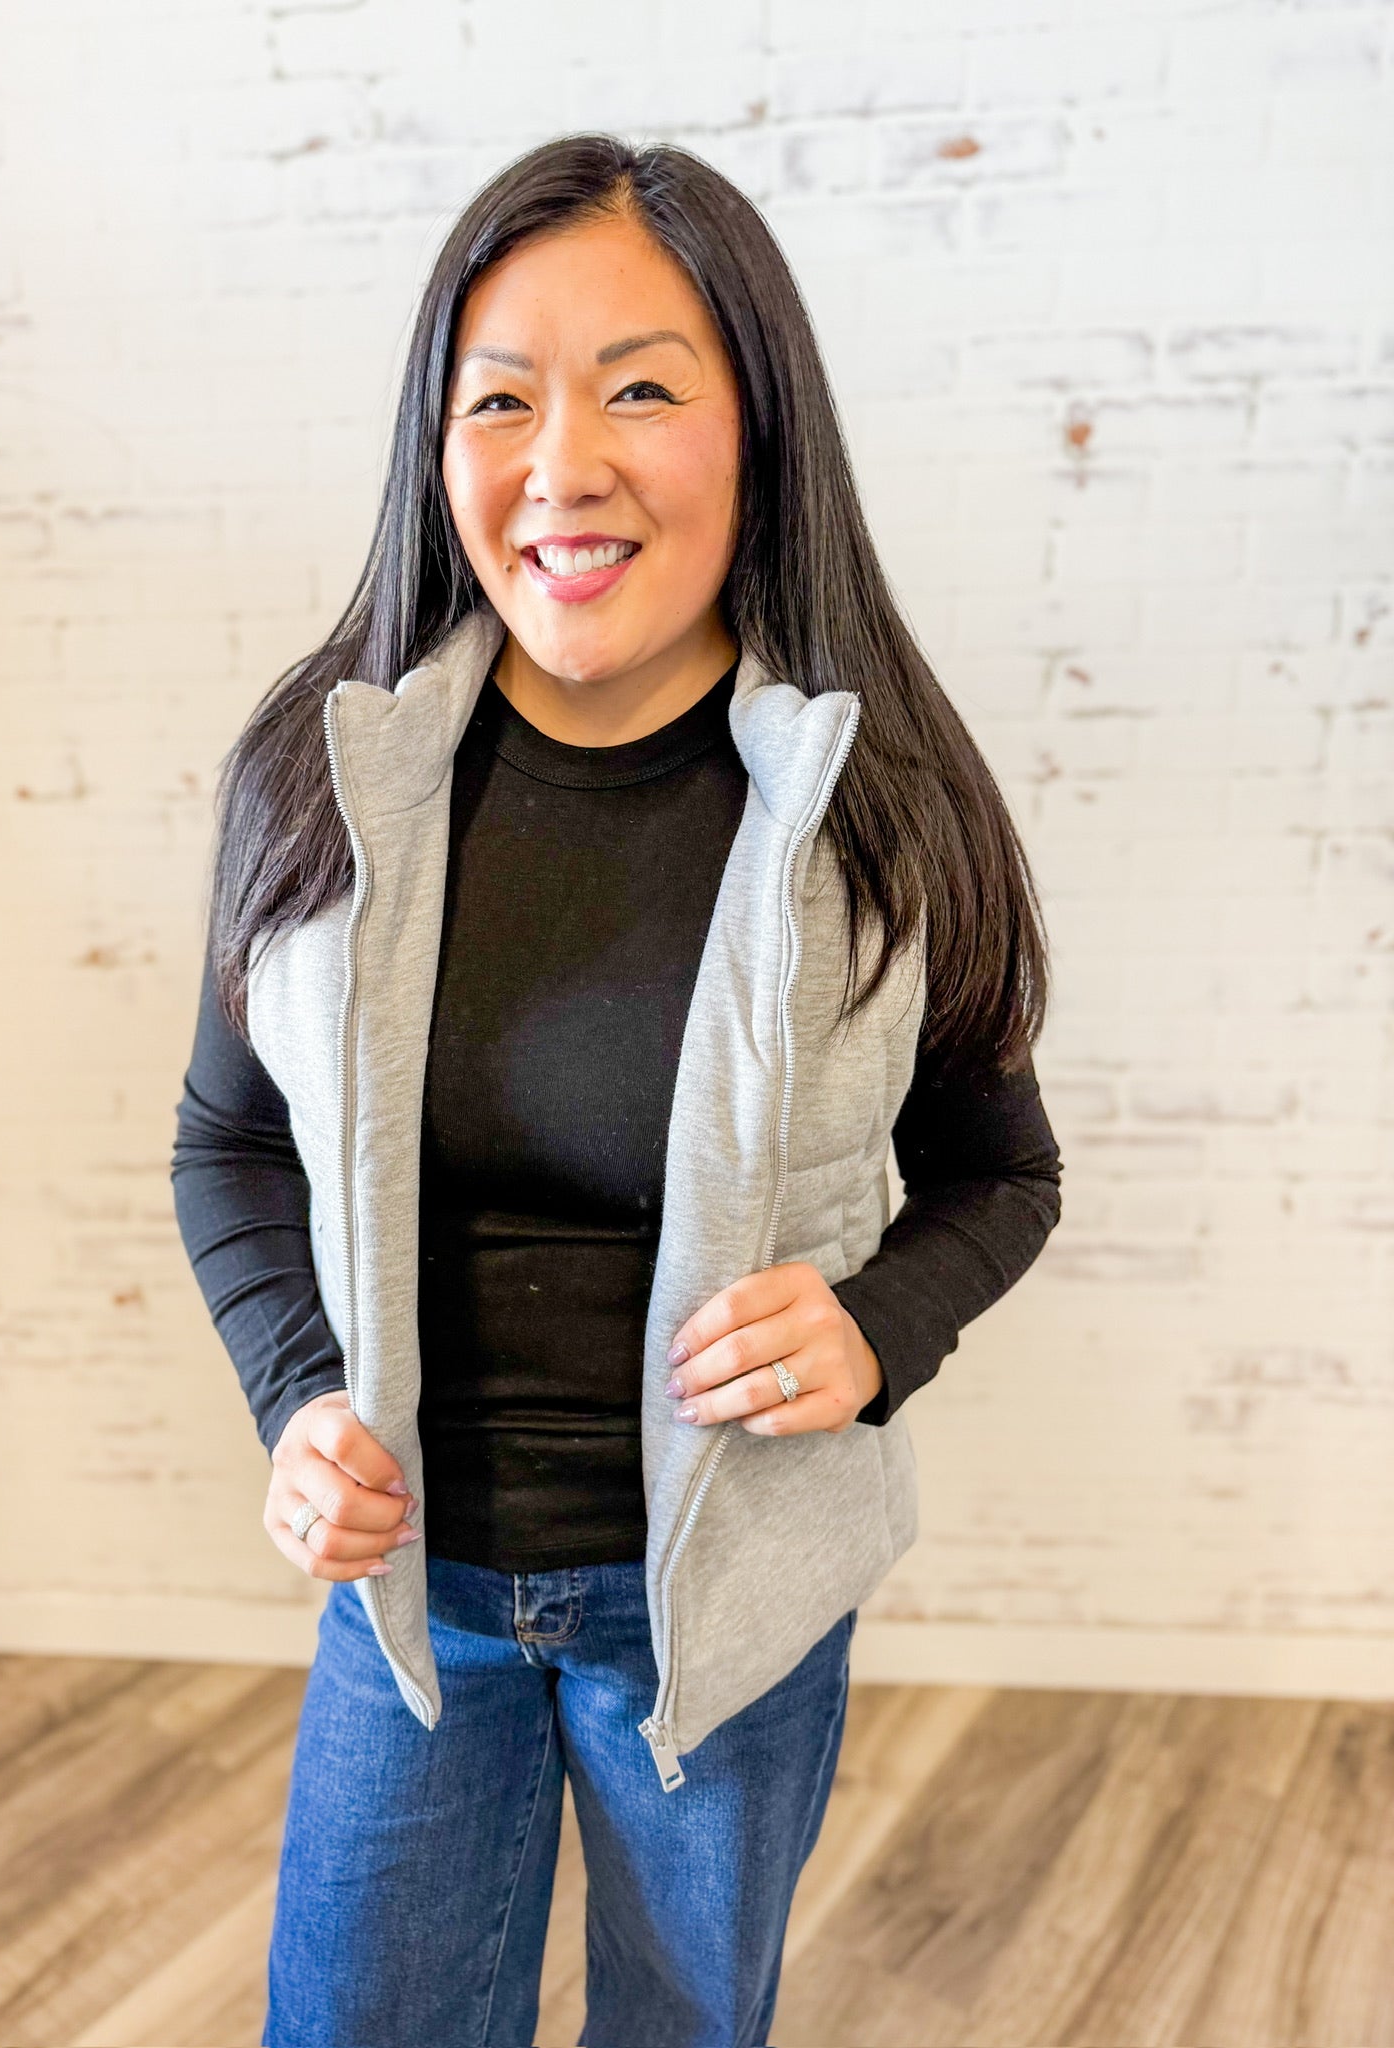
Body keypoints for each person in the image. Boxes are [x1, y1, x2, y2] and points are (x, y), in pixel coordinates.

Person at [171, 133, 1062, 2048]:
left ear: (761, 428)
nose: (561, 464)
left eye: (641, 391)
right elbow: (226, 1140)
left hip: (724, 1611)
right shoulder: (324, 781)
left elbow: (1004, 1176)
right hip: (416, 1600)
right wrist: (297, 1396)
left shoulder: (880, 808)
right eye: (499, 400)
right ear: (437, 447)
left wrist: (876, 1329)